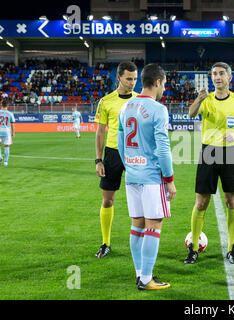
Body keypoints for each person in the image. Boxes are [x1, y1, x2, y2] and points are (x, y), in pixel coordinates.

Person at [184, 62, 234, 265]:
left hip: (231, 154)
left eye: (222, 73)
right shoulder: (206, 99)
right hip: (208, 152)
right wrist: (198, 98)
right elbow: (191, 114)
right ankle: (193, 248)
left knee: (232, 201)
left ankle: (232, 248)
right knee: (201, 202)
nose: (218, 77)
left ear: (229, 77)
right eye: (214, 74)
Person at [117, 63, 176, 291]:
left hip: (131, 175)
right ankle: (146, 279)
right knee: (153, 225)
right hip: (152, 177)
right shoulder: (158, 109)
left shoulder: (126, 106)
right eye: (164, 84)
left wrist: (129, 166)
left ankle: (140, 274)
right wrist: (169, 180)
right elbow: (163, 149)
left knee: (137, 225)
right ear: (158, 82)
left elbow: (121, 143)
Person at [94, 61, 139, 258]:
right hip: (112, 154)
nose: (132, 83)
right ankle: (105, 242)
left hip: (135, 154)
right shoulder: (106, 101)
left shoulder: (141, 100)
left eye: (135, 79)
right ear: (118, 77)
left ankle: (139, 242)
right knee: (108, 200)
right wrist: (98, 160)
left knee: (138, 201)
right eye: (129, 78)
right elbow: (100, 132)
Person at [0, 100, 15, 166]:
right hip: (7, 132)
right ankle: (6, 162)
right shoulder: (10, 113)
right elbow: (12, 124)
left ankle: (0, 157)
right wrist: (13, 133)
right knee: (6, 146)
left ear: (1, 105)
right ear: (8, 106)